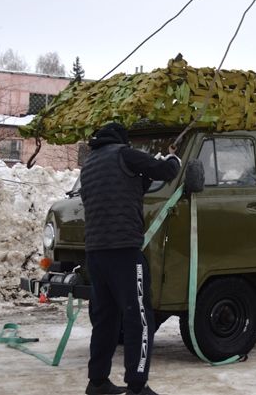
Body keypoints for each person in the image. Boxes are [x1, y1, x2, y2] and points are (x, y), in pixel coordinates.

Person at [80, 122, 182, 395]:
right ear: (121, 140)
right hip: (124, 252)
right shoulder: (124, 154)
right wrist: (173, 157)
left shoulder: (89, 165)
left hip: (96, 254)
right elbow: (167, 171)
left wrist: (144, 175)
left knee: (105, 318)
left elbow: (128, 189)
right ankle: (137, 386)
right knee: (139, 317)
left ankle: (97, 381)